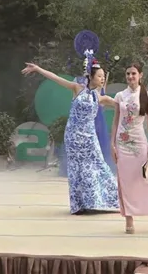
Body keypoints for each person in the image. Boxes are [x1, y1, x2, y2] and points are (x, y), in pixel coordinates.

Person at [22, 59, 119, 214]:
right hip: (73, 136)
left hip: (89, 137)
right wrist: (38, 69)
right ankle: (79, 205)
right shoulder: (77, 88)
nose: (102, 79)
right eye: (99, 76)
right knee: (76, 168)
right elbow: (55, 78)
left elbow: (123, 104)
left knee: (98, 165)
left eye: (103, 76)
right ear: (91, 77)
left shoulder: (101, 97)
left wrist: (146, 101)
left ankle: (107, 200)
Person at [111, 62, 148, 234]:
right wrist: (112, 144)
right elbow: (116, 121)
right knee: (125, 182)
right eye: (128, 73)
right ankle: (129, 219)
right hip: (122, 143)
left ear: (140, 75)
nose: (130, 76)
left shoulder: (147, 96)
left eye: (133, 73)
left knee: (147, 180)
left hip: (139, 142)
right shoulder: (120, 96)